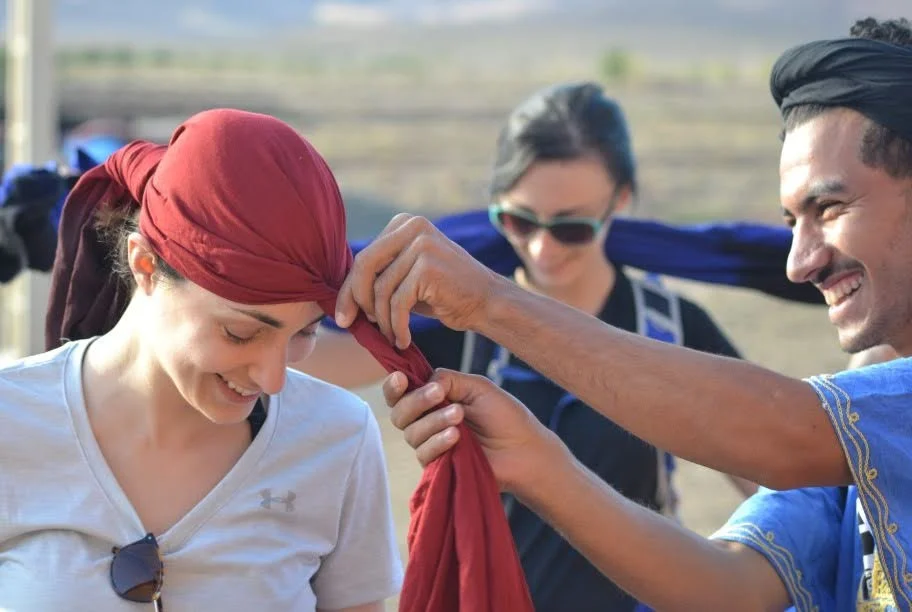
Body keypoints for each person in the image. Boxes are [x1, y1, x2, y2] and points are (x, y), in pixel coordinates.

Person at [334, 17, 912, 610]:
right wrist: (541, 468)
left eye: (832, 206)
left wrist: (492, 303)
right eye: (792, 222)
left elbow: (788, 435)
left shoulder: (845, 415)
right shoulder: (857, 430)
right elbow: (729, 585)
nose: (797, 263)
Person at [298, 82, 754, 610]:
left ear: (620, 202)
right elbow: (307, 357)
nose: (542, 248)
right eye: (520, 221)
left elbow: (775, 485)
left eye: (573, 228)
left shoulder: (669, 327)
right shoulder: (453, 320)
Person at [0, 109, 403, 610]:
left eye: (306, 332)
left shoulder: (336, 439)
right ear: (144, 265)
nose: (274, 378)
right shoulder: (9, 423)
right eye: (241, 333)